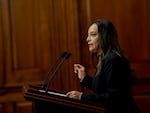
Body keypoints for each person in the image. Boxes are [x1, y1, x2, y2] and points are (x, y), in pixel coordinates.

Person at [66, 19, 141, 113]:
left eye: (93, 35)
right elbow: (103, 89)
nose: (87, 39)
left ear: (104, 37)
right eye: (88, 35)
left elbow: (113, 97)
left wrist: (81, 96)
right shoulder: (105, 58)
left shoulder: (113, 59)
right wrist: (84, 78)